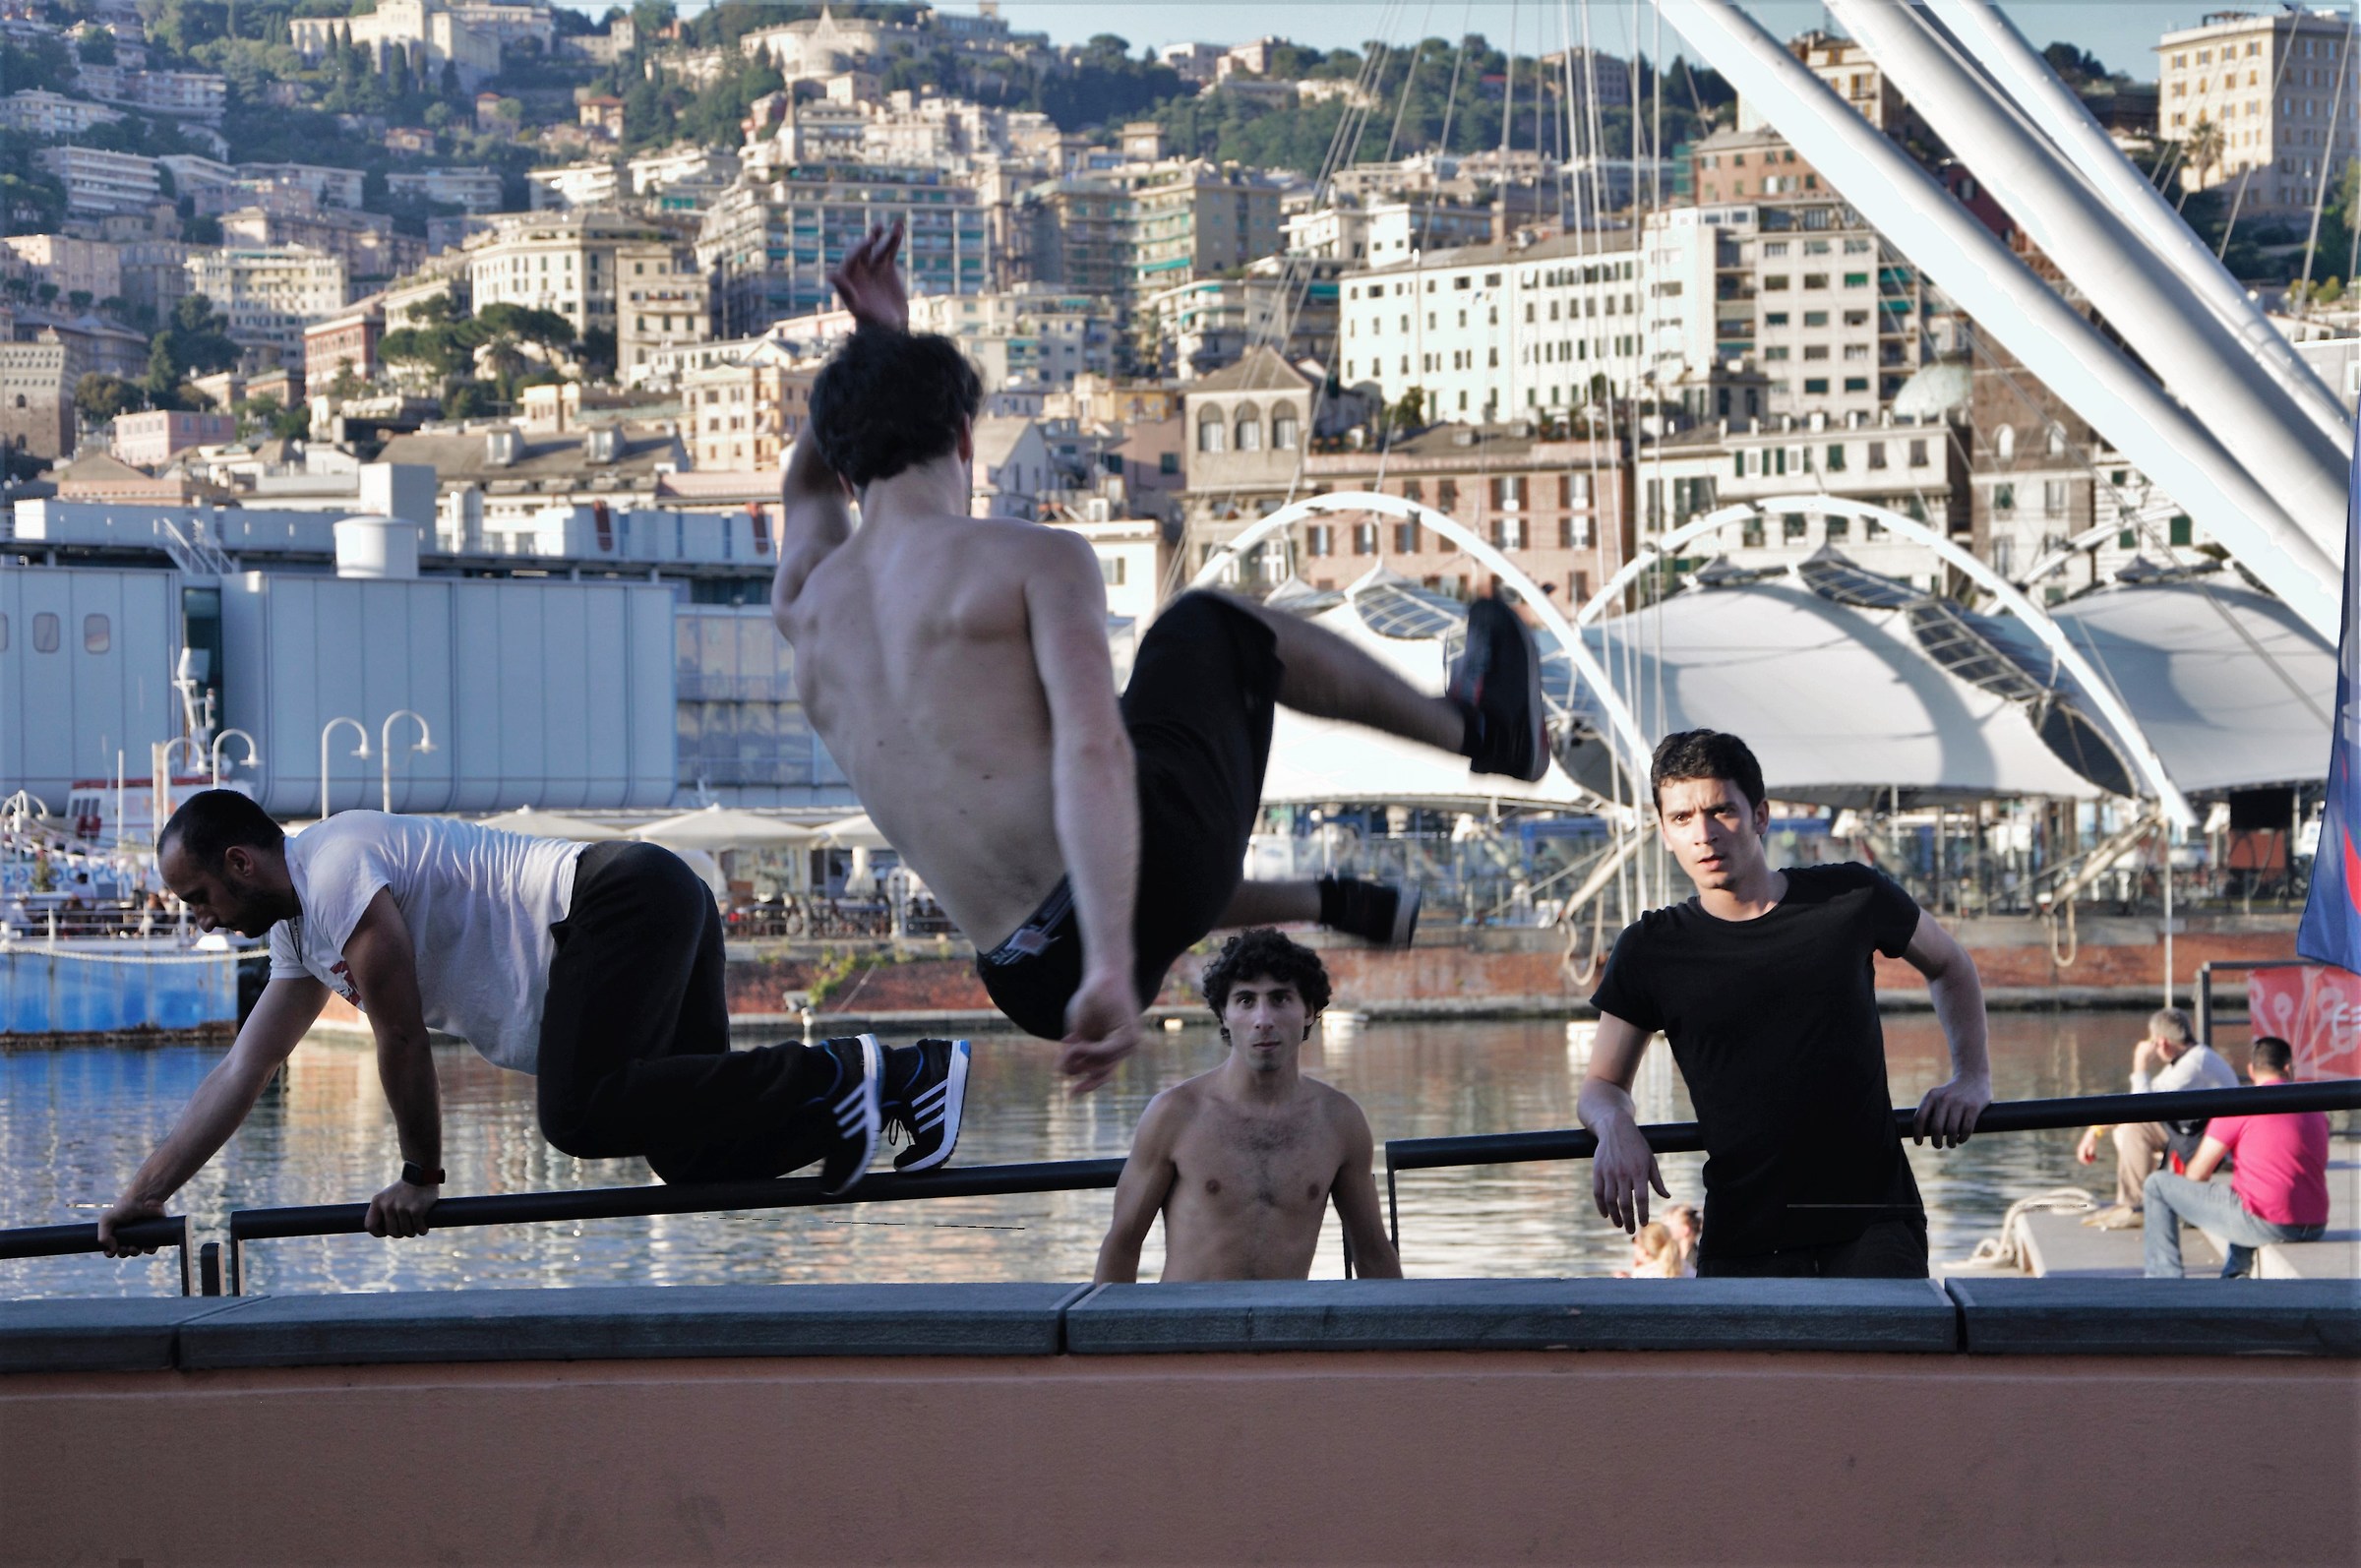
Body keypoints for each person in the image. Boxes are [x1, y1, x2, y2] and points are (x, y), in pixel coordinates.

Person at [772, 221, 1549, 1092]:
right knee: (1207, 629)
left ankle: (1328, 901)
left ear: (842, 467)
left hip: (1023, 980)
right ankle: (1483, 730)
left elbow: (803, 483)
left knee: (1136, 811)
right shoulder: (1027, 559)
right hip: (1121, 919)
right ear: (963, 437)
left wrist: (871, 353)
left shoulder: (804, 603)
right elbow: (1090, 755)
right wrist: (1110, 965)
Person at [96, 792, 968, 1254]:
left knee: (577, 1112)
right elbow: (239, 1074)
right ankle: (880, 1096)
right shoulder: (296, 932)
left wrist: (422, 1173)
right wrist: (146, 1193)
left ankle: (853, 1072)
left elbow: (399, 1036)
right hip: (653, 901)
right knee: (695, 1156)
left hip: (617, 898)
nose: (200, 917)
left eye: (200, 896)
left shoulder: (333, 870)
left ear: (241, 861)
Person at [1578, 730, 1992, 1279]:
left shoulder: (1850, 897)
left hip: (1871, 1224)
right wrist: (1616, 1127)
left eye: (1721, 810)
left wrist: (1972, 1077)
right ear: (1663, 830)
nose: (1703, 834)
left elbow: (1950, 966)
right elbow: (1601, 1087)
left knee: (1887, 1364)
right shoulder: (1652, 948)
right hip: (1744, 1237)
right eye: (1681, 818)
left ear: (1761, 816)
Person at [1093, 929, 1403, 1283]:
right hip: (1185, 1331)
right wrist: (1110, 1336)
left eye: (1280, 999)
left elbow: (1373, 1253)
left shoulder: (1338, 1121)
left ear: (1310, 1012)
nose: (1263, 1019)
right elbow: (1122, 1245)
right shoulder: (1175, 1114)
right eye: (1245, 1001)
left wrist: (1404, 1335)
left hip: (1286, 1330)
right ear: (1223, 1015)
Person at [2142, 1037, 2330, 1278]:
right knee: (2246, 1191)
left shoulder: (2241, 1104)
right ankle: (2234, 1275)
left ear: (2251, 1071)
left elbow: (2198, 1173)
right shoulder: (2315, 1106)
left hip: (2269, 1223)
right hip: (2315, 1224)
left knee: (2156, 1185)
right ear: (2288, 1068)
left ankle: (2163, 1280)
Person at [2077, 1006, 2239, 1230]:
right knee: (2126, 1129)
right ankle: (2138, 1200)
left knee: (2134, 1129)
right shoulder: (2189, 1059)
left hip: (2213, 1142)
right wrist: (2095, 1131)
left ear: (2161, 1042)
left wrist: (2140, 1064)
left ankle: (2136, 1206)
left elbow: (2140, 1107)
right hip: (2194, 1131)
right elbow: (2141, 1101)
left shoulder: (2194, 1065)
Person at [1664, 1202, 1702, 1274]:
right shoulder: (1668, 1257)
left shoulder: (1696, 1262)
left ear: (1685, 1230)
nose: (1662, 1231)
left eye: (1667, 1227)